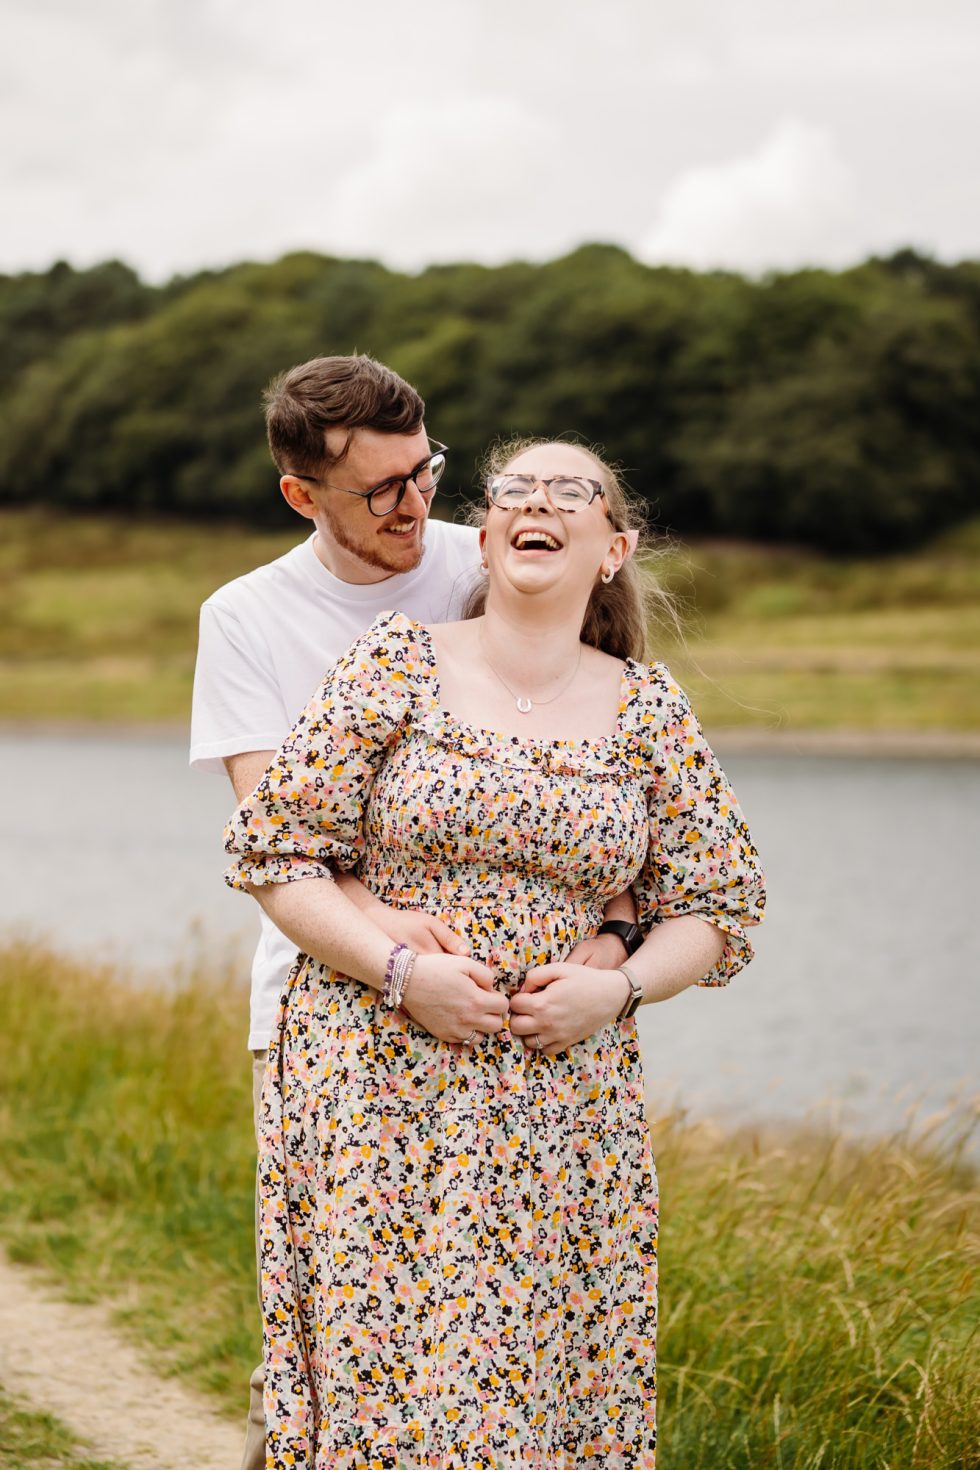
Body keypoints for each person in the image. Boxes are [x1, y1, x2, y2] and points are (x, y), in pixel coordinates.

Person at [223, 437, 766, 1469]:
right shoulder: (395, 662)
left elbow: (719, 904)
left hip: (562, 1094)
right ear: (482, 538)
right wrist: (399, 971)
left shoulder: (647, 709)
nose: (540, 502)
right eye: (515, 488)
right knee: (380, 1375)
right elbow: (274, 850)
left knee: (539, 1379)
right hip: (374, 1069)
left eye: (574, 492)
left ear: (613, 546)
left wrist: (614, 990)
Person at [190, 357, 639, 1470]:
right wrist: (397, 958)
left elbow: (609, 746)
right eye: (378, 489)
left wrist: (619, 929)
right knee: (331, 1326)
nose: (414, 505)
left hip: (518, 1025)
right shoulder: (245, 619)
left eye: (424, 469)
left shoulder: (479, 559)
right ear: (303, 495)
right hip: (332, 998)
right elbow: (279, 843)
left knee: (512, 1326)